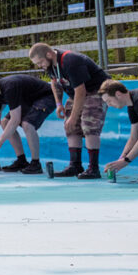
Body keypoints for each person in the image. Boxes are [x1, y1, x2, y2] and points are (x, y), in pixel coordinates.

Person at [30, 43, 108, 179]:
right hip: (76, 94)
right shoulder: (50, 65)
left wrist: (74, 116)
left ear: (49, 54)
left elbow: (81, 90)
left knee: (89, 125)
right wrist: (59, 103)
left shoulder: (70, 61)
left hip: (96, 91)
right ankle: (75, 165)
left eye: (40, 62)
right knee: (70, 127)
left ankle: (93, 168)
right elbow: (54, 82)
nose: (40, 65)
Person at [0, 74, 57, 173]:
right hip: (28, 100)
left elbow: (15, 120)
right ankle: (21, 160)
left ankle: (35, 163)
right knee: (5, 122)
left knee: (27, 124)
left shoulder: (10, 87)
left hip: (46, 96)